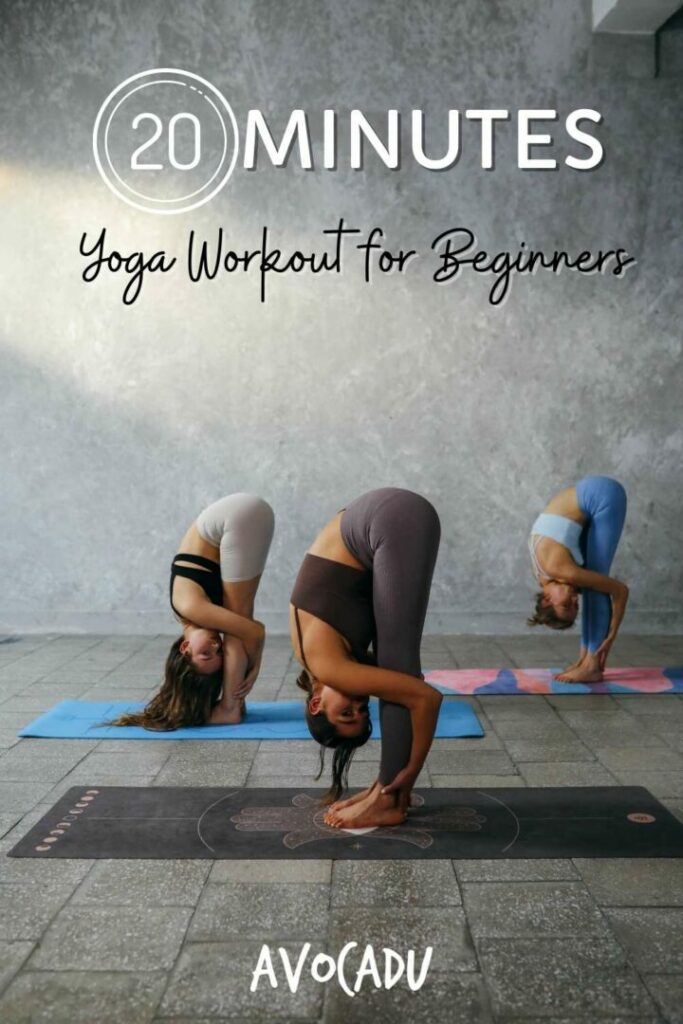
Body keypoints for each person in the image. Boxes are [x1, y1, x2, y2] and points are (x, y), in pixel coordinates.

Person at [290, 487, 443, 828]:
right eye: (362, 711)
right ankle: (381, 789)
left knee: (398, 667)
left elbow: (427, 699)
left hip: (390, 520)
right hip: (381, 514)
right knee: (397, 673)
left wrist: (409, 774)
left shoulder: (332, 668)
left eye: (346, 712)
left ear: (315, 704)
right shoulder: (312, 656)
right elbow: (411, 688)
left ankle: (390, 798)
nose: (359, 702)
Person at [114, 493, 274, 730]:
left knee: (239, 627)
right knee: (238, 626)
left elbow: (256, 632)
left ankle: (231, 707)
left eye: (205, 654)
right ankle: (234, 704)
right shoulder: (192, 615)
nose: (214, 646)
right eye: (218, 654)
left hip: (237, 517)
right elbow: (251, 633)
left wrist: (254, 668)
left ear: (185, 647)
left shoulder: (191, 608)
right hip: (243, 515)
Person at [528, 475, 628, 683]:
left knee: (596, 586)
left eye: (567, 604)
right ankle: (584, 659)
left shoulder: (560, 569)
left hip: (603, 496)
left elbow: (620, 590)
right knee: (590, 583)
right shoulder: (543, 576)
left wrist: (611, 636)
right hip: (589, 492)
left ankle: (592, 665)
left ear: (547, 599)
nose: (574, 599)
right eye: (575, 605)